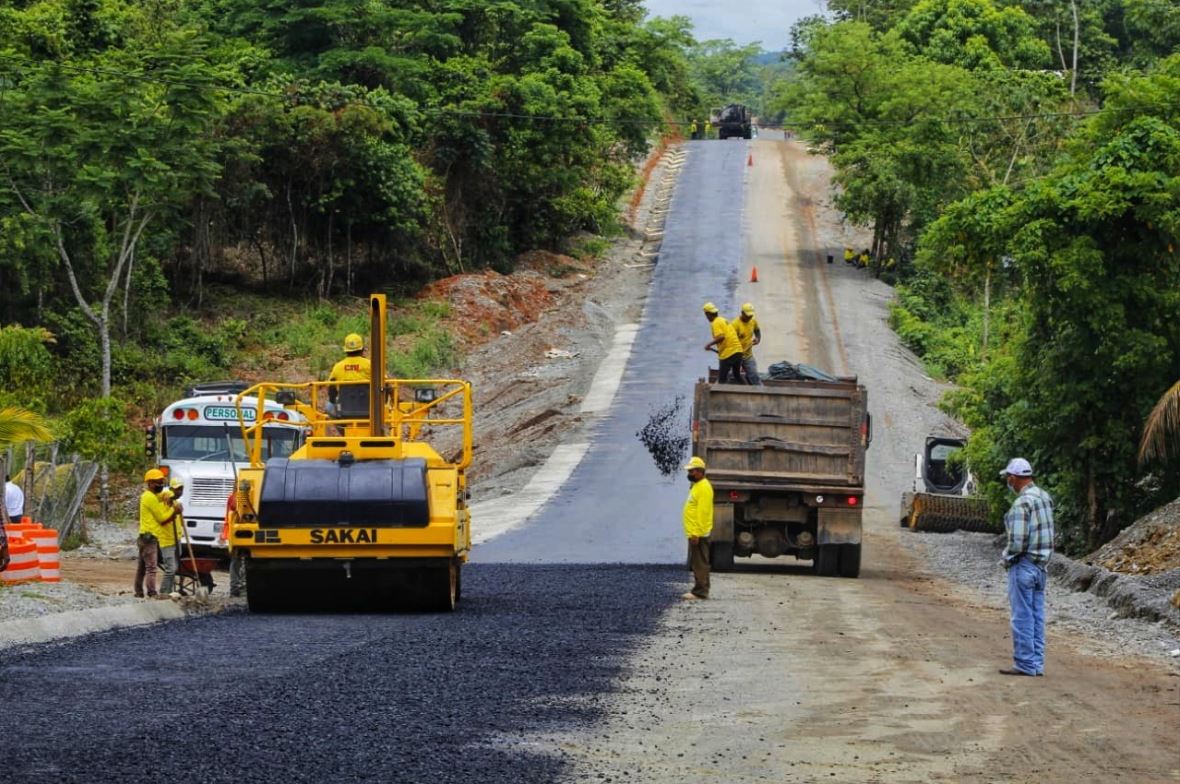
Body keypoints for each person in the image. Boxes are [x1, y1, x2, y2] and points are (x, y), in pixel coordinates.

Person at [998, 457, 1054, 677]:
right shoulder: (1044, 497)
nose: (1008, 482)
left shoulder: (1022, 503)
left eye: (1008, 479)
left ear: (1013, 478)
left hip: (1024, 566)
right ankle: (1036, 664)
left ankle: (1024, 664)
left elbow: (1018, 542)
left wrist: (1006, 558)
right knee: (1037, 616)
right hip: (1042, 566)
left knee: (1022, 616)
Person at [136, 469, 178, 599]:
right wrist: (174, 511)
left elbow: (164, 494)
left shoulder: (150, 496)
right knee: (151, 568)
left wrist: (168, 495)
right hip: (150, 538)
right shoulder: (150, 498)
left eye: (162, 482)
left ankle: (138, 592)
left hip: (144, 536)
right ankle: (152, 592)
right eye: (158, 483)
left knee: (142, 568)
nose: (160, 485)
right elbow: (162, 518)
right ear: (150, 483)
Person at [682, 456, 714, 600]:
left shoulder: (704, 488)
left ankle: (700, 592)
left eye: (692, 471)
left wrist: (696, 533)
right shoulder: (697, 486)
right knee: (698, 561)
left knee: (700, 562)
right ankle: (701, 589)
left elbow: (703, 513)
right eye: (689, 471)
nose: (689, 474)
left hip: (699, 533)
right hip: (695, 532)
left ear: (700, 471)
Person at [327, 332, 371, 413]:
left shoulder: (338, 367)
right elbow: (386, 384)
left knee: (329, 407)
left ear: (346, 350)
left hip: (345, 411)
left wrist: (332, 401)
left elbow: (331, 389)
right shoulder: (370, 365)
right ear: (361, 349)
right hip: (370, 411)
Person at [703, 302, 743, 384]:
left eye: (706, 315)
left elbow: (721, 337)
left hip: (729, 353)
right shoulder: (722, 320)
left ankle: (719, 395)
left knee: (721, 380)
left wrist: (709, 344)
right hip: (738, 351)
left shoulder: (715, 323)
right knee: (737, 375)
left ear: (708, 314)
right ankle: (748, 391)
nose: (706, 317)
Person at [157, 477, 185, 596]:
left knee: (175, 568)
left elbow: (180, 522)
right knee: (170, 569)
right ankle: (164, 593)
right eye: (176, 489)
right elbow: (162, 521)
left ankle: (170, 592)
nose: (179, 491)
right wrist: (173, 511)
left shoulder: (177, 504)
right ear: (172, 488)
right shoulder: (165, 500)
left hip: (176, 539)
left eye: (181, 489)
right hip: (167, 540)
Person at [731, 303, 762, 385]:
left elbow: (757, 330)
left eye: (751, 316)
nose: (749, 317)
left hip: (748, 355)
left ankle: (759, 392)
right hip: (735, 356)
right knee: (730, 376)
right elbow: (729, 341)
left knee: (754, 376)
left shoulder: (753, 321)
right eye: (747, 315)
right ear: (742, 313)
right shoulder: (735, 325)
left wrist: (758, 339)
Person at [223, 492, 246, 598]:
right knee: (236, 561)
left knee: (241, 561)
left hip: (242, 533)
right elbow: (234, 506)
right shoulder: (234, 497)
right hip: (235, 534)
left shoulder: (238, 496)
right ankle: (235, 588)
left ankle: (241, 587)